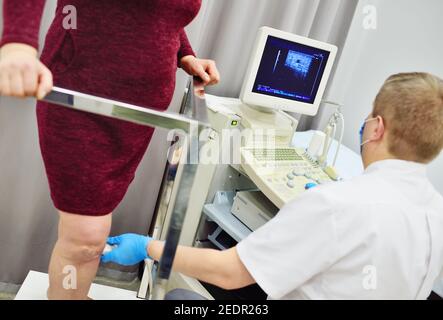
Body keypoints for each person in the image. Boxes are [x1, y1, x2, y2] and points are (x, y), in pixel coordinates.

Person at [103, 72, 443, 300]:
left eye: (369, 117)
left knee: (181, 299)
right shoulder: (436, 211)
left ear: (376, 128)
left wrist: (148, 246)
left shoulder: (335, 205)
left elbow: (230, 273)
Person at [0, 0, 220, 300]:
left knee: (92, 234)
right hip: (82, 97)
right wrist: (18, 42)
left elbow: (163, 14)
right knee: (85, 238)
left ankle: (72, 295)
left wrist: (186, 54)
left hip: (134, 117)